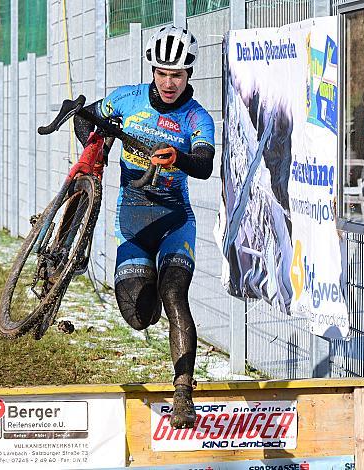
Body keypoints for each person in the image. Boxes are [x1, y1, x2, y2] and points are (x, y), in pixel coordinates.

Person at [71, 25, 215, 429]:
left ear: (189, 74)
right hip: (133, 219)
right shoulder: (126, 98)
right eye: (162, 73)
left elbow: (203, 165)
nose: (169, 83)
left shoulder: (196, 117)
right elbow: (87, 119)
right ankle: (145, 290)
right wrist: (94, 145)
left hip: (174, 220)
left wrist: (180, 158)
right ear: (152, 70)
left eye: (178, 75)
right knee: (138, 315)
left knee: (174, 296)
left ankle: (183, 392)